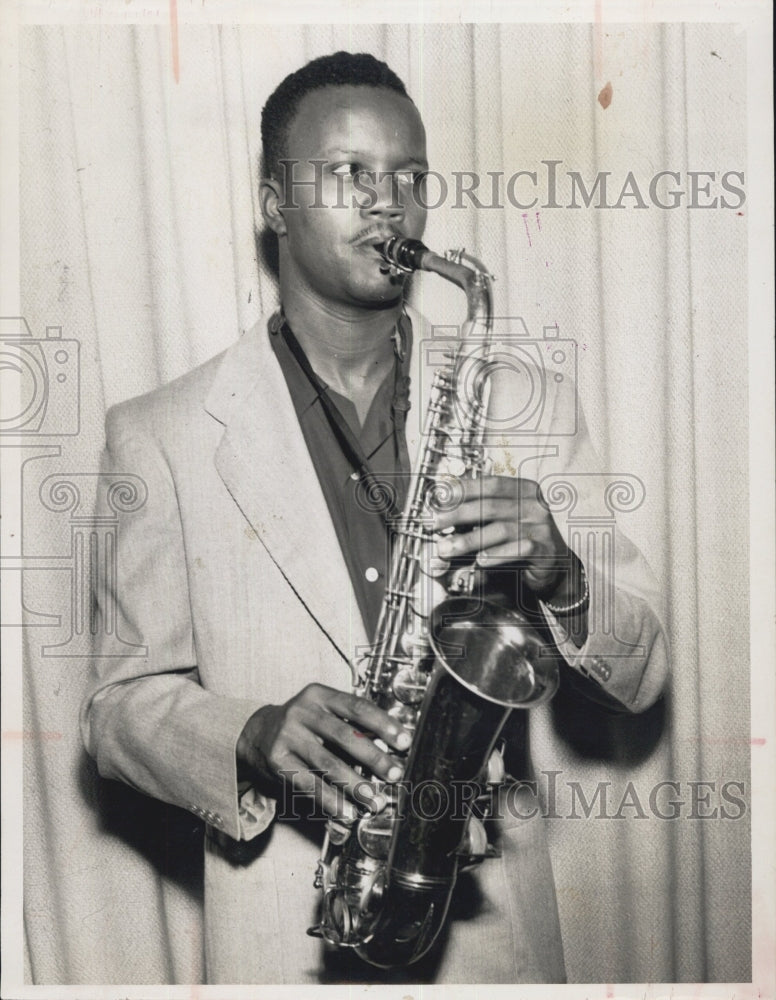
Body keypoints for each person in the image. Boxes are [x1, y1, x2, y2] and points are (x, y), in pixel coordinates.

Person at [80, 51, 669, 985]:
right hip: (284, 929)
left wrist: (565, 574)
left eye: (409, 176)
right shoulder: (157, 435)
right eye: (349, 173)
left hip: (493, 938)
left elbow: (643, 675)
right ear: (275, 205)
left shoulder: (524, 400)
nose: (388, 201)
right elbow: (116, 712)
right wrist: (252, 735)